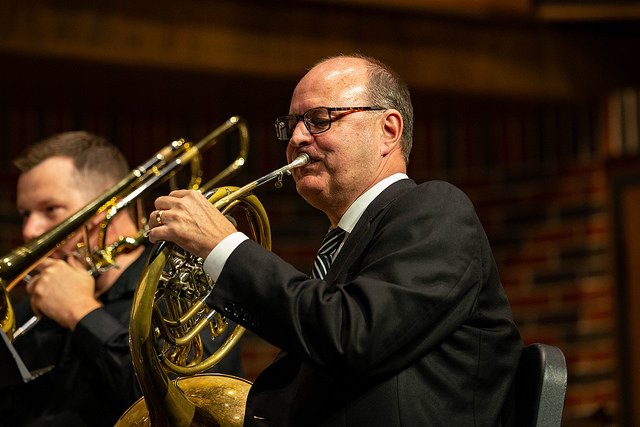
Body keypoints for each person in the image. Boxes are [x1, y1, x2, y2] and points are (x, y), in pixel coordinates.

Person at [148, 54, 523, 426]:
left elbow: (352, 336)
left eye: (319, 120)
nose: (296, 138)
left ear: (388, 130)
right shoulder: (343, 245)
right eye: (292, 124)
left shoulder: (436, 209)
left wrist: (223, 248)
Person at [0, 131, 242, 427]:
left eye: (50, 209)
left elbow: (186, 409)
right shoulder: (33, 307)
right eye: (26, 214)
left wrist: (82, 314)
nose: (29, 231)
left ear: (108, 205)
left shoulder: (183, 286)